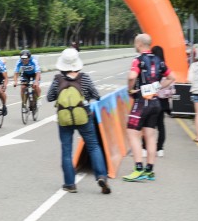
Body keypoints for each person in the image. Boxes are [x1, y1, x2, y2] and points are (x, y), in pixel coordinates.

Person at [47, 47, 110, 194]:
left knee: (66, 150)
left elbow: (49, 97)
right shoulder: (84, 78)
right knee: (93, 146)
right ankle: (101, 176)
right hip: (84, 118)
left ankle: (70, 184)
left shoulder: (57, 80)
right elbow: (96, 95)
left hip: (64, 120)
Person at [123, 33, 175, 182]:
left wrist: (130, 89)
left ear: (139, 44)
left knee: (132, 133)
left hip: (141, 102)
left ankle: (138, 169)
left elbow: (132, 76)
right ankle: (150, 170)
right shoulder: (159, 60)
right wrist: (155, 88)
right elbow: (172, 77)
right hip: (155, 102)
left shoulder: (138, 60)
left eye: (135, 43)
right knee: (150, 136)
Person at [141, 45, 173, 156]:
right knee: (161, 125)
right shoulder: (166, 68)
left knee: (147, 124)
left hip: (151, 99)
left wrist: (155, 88)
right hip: (163, 102)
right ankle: (160, 149)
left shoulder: (152, 68)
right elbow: (172, 88)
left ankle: (145, 148)